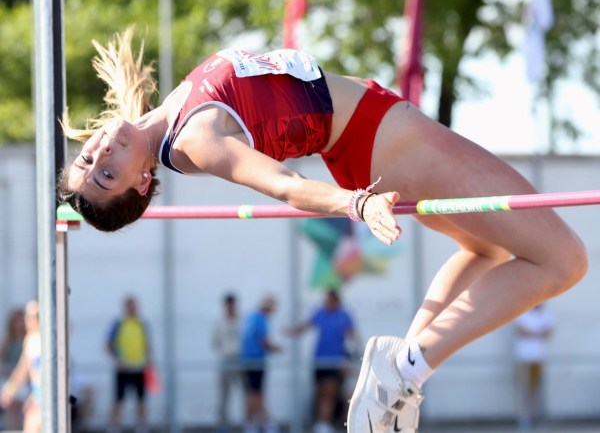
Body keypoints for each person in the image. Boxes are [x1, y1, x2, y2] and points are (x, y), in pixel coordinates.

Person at [58, 28, 588, 432]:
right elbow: (284, 185)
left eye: (88, 159)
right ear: (141, 182)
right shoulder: (195, 139)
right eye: (106, 176)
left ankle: (401, 373)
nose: (99, 155)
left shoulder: (166, 118)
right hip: (382, 139)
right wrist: (356, 203)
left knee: (488, 249)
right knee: (564, 259)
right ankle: (406, 369)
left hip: (372, 135)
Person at [286, 290, 361, 433]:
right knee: (320, 392)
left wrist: (359, 352)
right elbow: (306, 325)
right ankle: (321, 422)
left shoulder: (343, 315)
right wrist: (292, 332)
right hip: (319, 360)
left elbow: (353, 334)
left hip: (335, 361)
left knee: (330, 392)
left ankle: (325, 422)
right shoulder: (321, 313)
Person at [106, 295, 152, 433]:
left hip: (139, 367)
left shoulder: (142, 324)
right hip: (123, 368)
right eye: (131, 307)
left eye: (135, 307)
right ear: (125, 308)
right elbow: (108, 344)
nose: (133, 310)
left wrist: (147, 360)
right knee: (118, 399)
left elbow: (147, 344)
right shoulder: (119, 324)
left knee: (141, 400)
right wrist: (117, 360)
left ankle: (142, 426)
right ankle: (113, 426)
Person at [240, 295, 282, 433]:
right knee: (256, 395)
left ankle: (253, 423)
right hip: (256, 361)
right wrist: (277, 349)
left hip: (247, 360)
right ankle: (262, 423)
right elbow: (264, 342)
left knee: (252, 393)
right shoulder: (261, 320)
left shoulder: (251, 317)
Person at [0, 301, 42, 433]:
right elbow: (23, 368)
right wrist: (10, 389)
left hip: (46, 395)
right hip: (38, 394)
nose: (26, 321)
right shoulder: (31, 339)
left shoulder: (46, 338)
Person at [513, 304, 555, 430]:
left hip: (538, 358)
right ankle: (524, 418)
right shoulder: (522, 312)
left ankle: (536, 417)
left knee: (536, 390)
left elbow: (548, 332)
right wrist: (538, 333)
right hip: (524, 358)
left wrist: (532, 333)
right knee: (524, 389)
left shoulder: (545, 314)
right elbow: (521, 331)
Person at [211, 293, 242, 433]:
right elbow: (215, 342)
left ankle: (248, 423)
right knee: (224, 394)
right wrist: (225, 348)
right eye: (228, 305)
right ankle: (223, 424)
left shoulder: (241, 321)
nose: (231, 307)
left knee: (247, 392)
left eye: (232, 305)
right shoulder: (219, 323)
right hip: (226, 359)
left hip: (241, 360)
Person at [0, 307, 27, 430]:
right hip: (10, 376)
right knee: (12, 408)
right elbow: (2, 360)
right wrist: (8, 373)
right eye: (17, 321)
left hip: (24, 378)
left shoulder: (28, 339)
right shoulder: (7, 339)